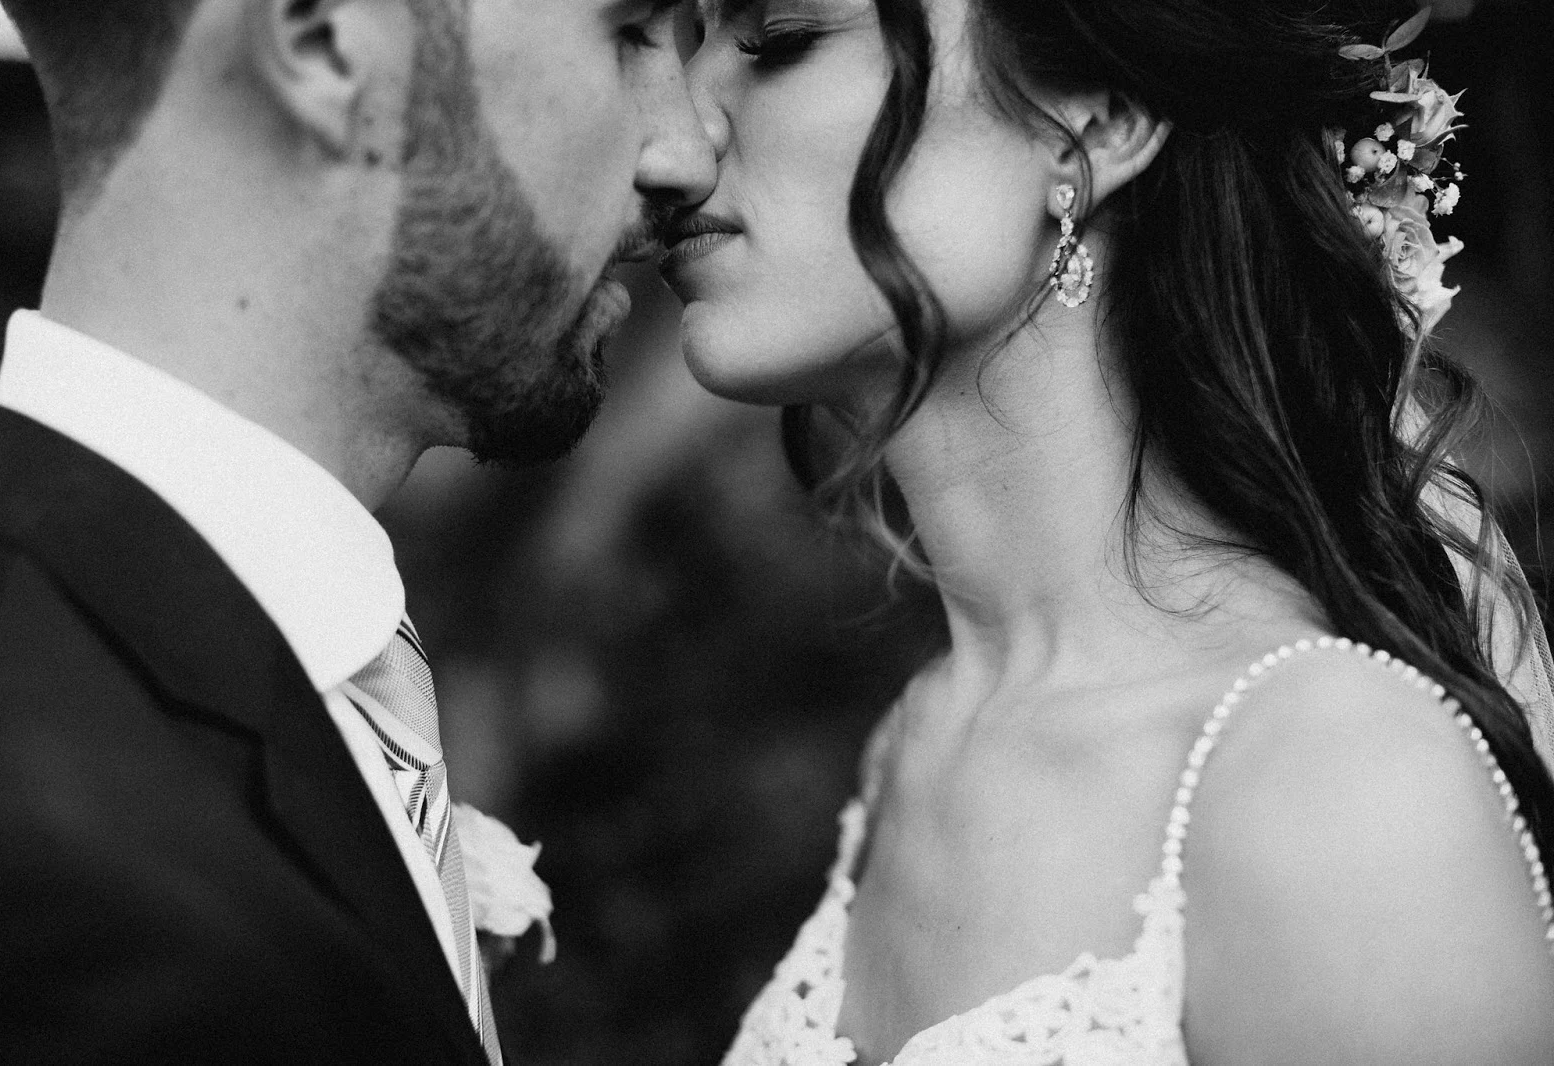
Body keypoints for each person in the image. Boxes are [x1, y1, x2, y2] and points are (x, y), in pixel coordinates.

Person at [660, 0, 1554, 1062]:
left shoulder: (1338, 790)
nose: (671, 135)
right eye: (687, 41)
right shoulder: (916, 742)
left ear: (1098, 119)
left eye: (780, 37)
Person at [0, 0, 713, 1062]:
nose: (688, 151)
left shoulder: (122, 687)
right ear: (320, 42)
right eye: (627, 32)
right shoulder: (52, 871)